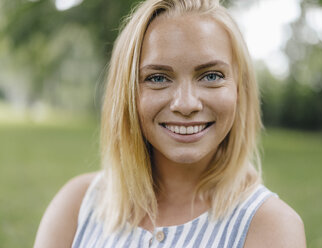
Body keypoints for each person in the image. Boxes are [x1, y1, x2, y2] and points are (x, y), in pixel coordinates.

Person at [34, 0, 306, 247]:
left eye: (211, 76)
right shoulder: (78, 205)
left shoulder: (270, 227)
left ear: (239, 89)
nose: (186, 104)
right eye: (158, 78)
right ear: (127, 93)